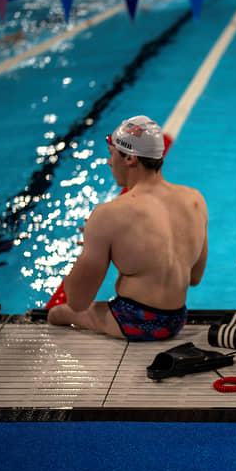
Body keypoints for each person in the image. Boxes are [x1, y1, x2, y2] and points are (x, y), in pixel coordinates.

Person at [47, 115, 208, 341]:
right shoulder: (195, 199)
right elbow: (194, 278)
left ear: (130, 158)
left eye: (112, 155)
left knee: (57, 313)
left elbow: (77, 300)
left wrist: (92, 244)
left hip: (134, 322)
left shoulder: (108, 214)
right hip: (177, 319)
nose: (109, 162)